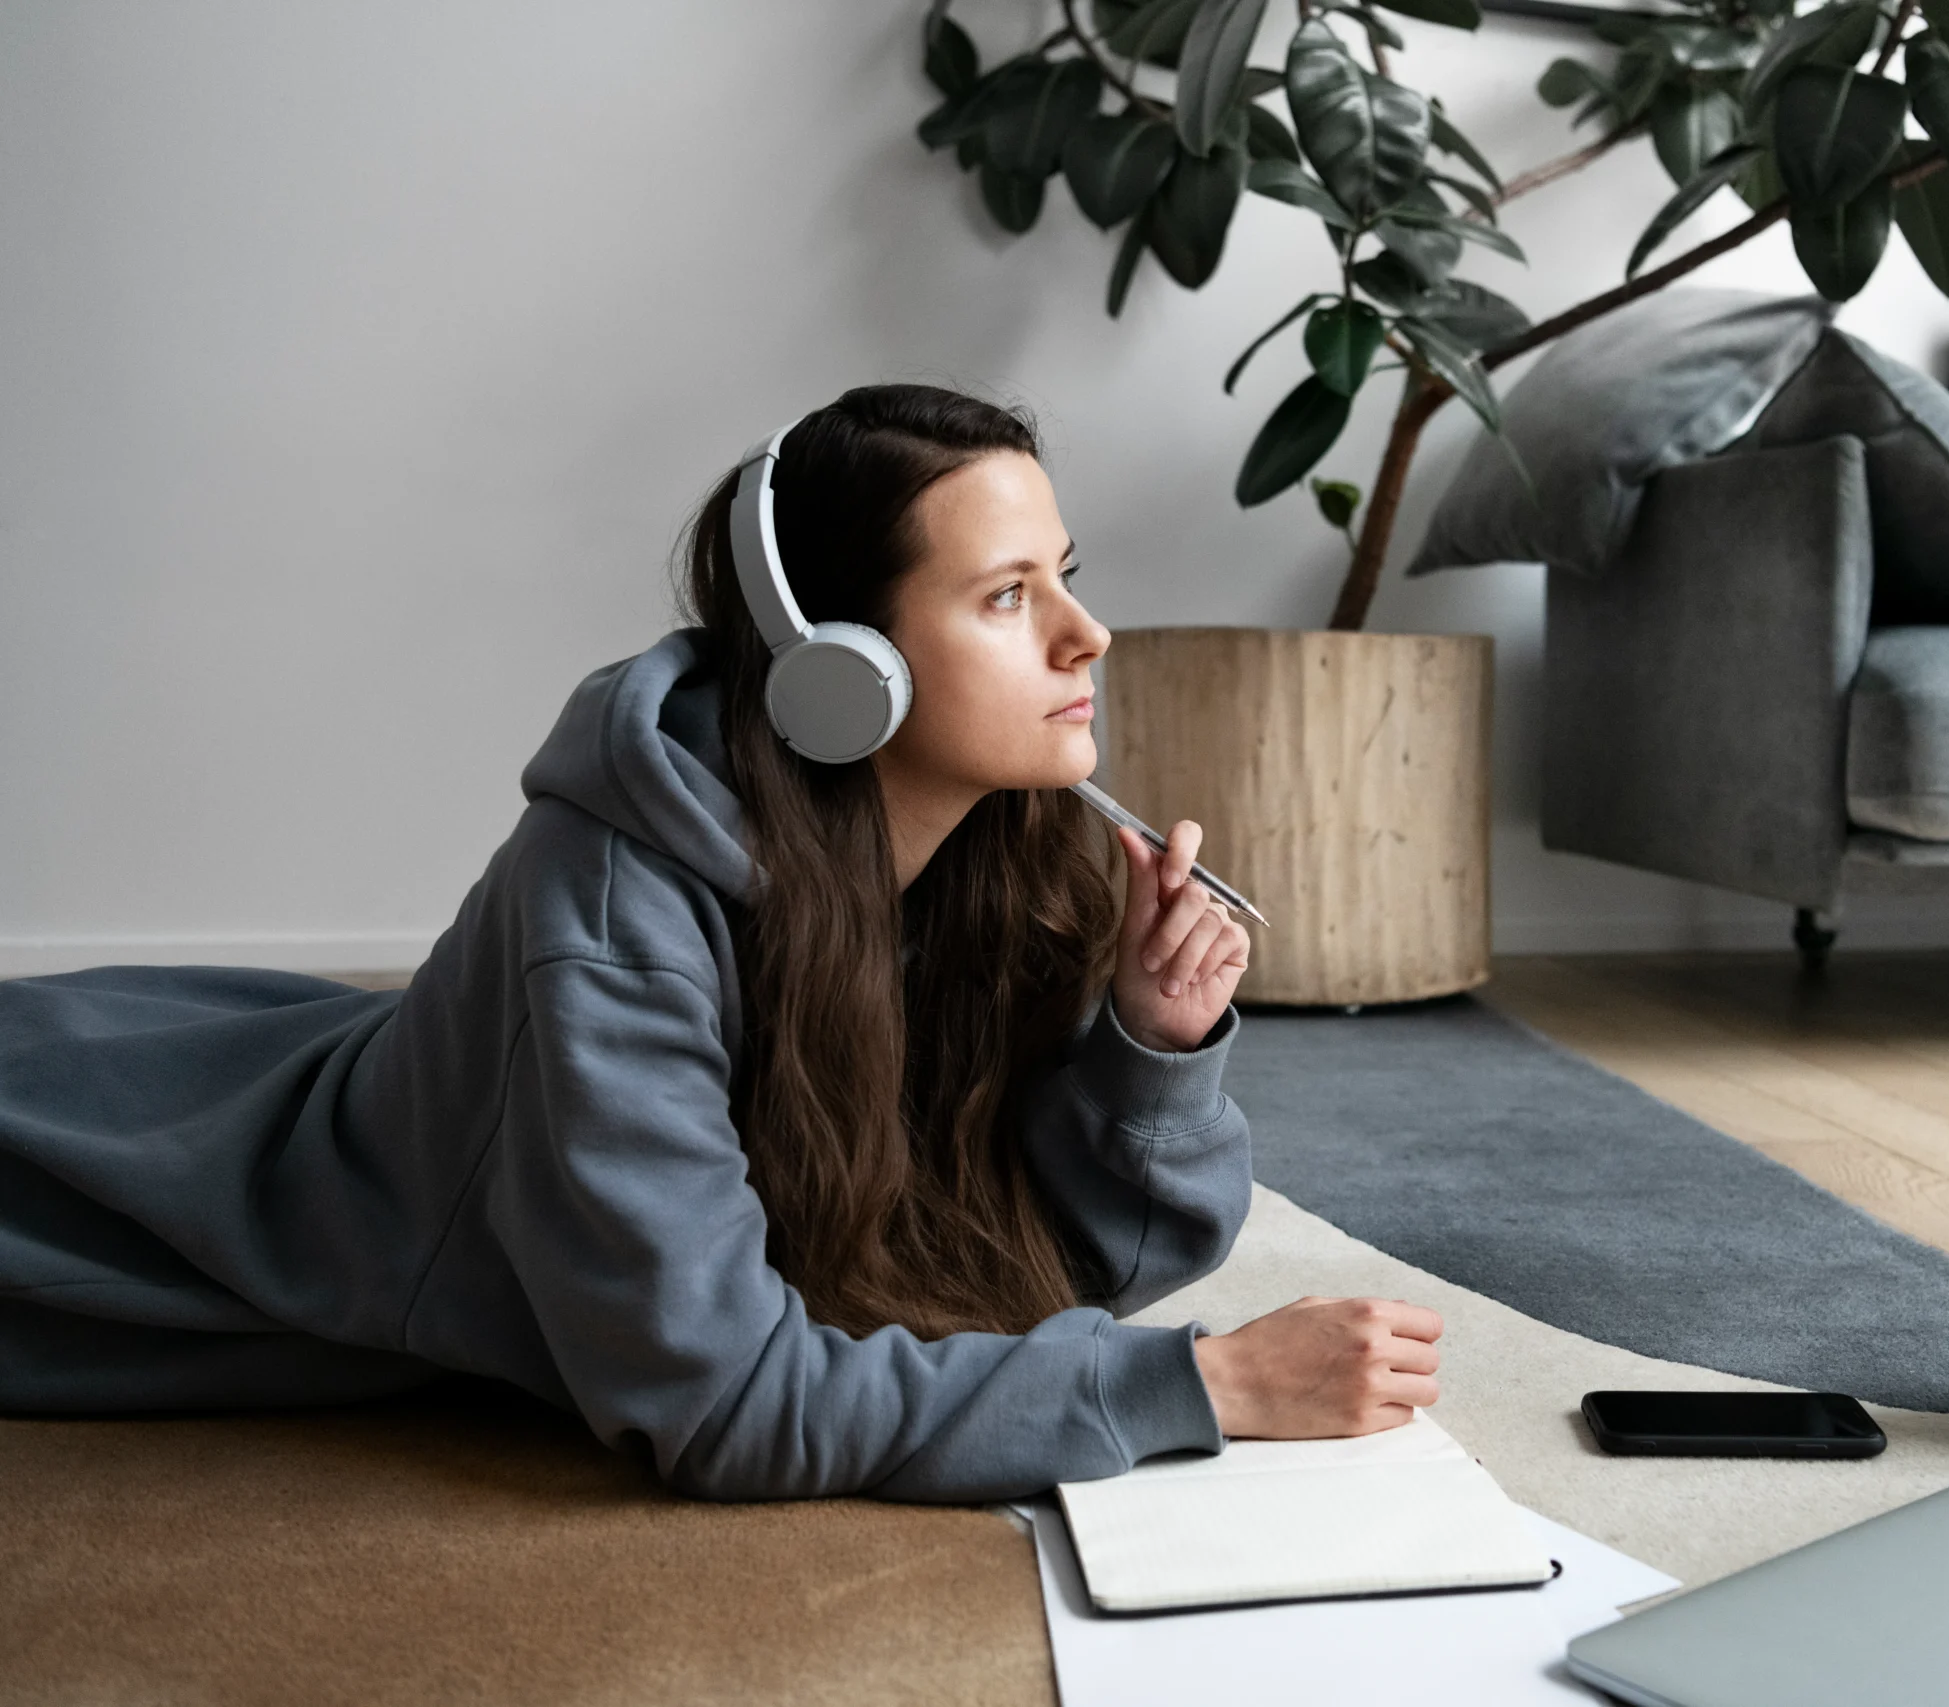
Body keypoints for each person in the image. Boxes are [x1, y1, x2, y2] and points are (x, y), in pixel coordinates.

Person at [0, 383, 1445, 1501]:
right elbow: (726, 1402)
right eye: (1009, 596)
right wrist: (1202, 1389)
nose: (1090, 634)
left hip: (262, 1059)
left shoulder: (994, 853)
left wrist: (1152, 1045)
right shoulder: (617, 921)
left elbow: (1044, 1274)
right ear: (843, 676)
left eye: (1065, 572)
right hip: (102, 1197)